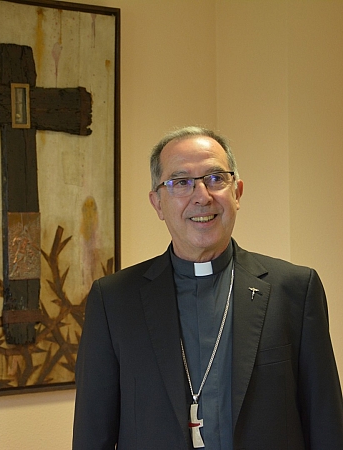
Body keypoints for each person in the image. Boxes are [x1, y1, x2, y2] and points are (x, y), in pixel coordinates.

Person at [72, 126, 343, 449]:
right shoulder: (114, 300)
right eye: (181, 182)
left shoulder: (295, 290)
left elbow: (327, 426)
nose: (202, 196)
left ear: (237, 193)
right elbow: (93, 434)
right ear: (157, 203)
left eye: (216, 179)